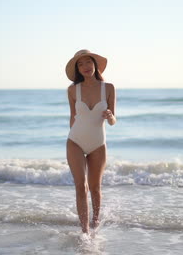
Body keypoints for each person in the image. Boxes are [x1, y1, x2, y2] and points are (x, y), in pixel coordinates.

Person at [65, 49, 117, 234]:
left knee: (95, 188)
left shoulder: (108, 88)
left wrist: (110, 115)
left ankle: (95, 224)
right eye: (80, 64)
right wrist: (72, 137)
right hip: (75, 141)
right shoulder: (72, 90)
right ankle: (85, 232)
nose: (85, 67)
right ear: (78, 69)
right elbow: (73, 117)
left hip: (98, 144)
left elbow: (112, 121)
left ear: (95, 64)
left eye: (88, 62)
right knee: (81, 186)